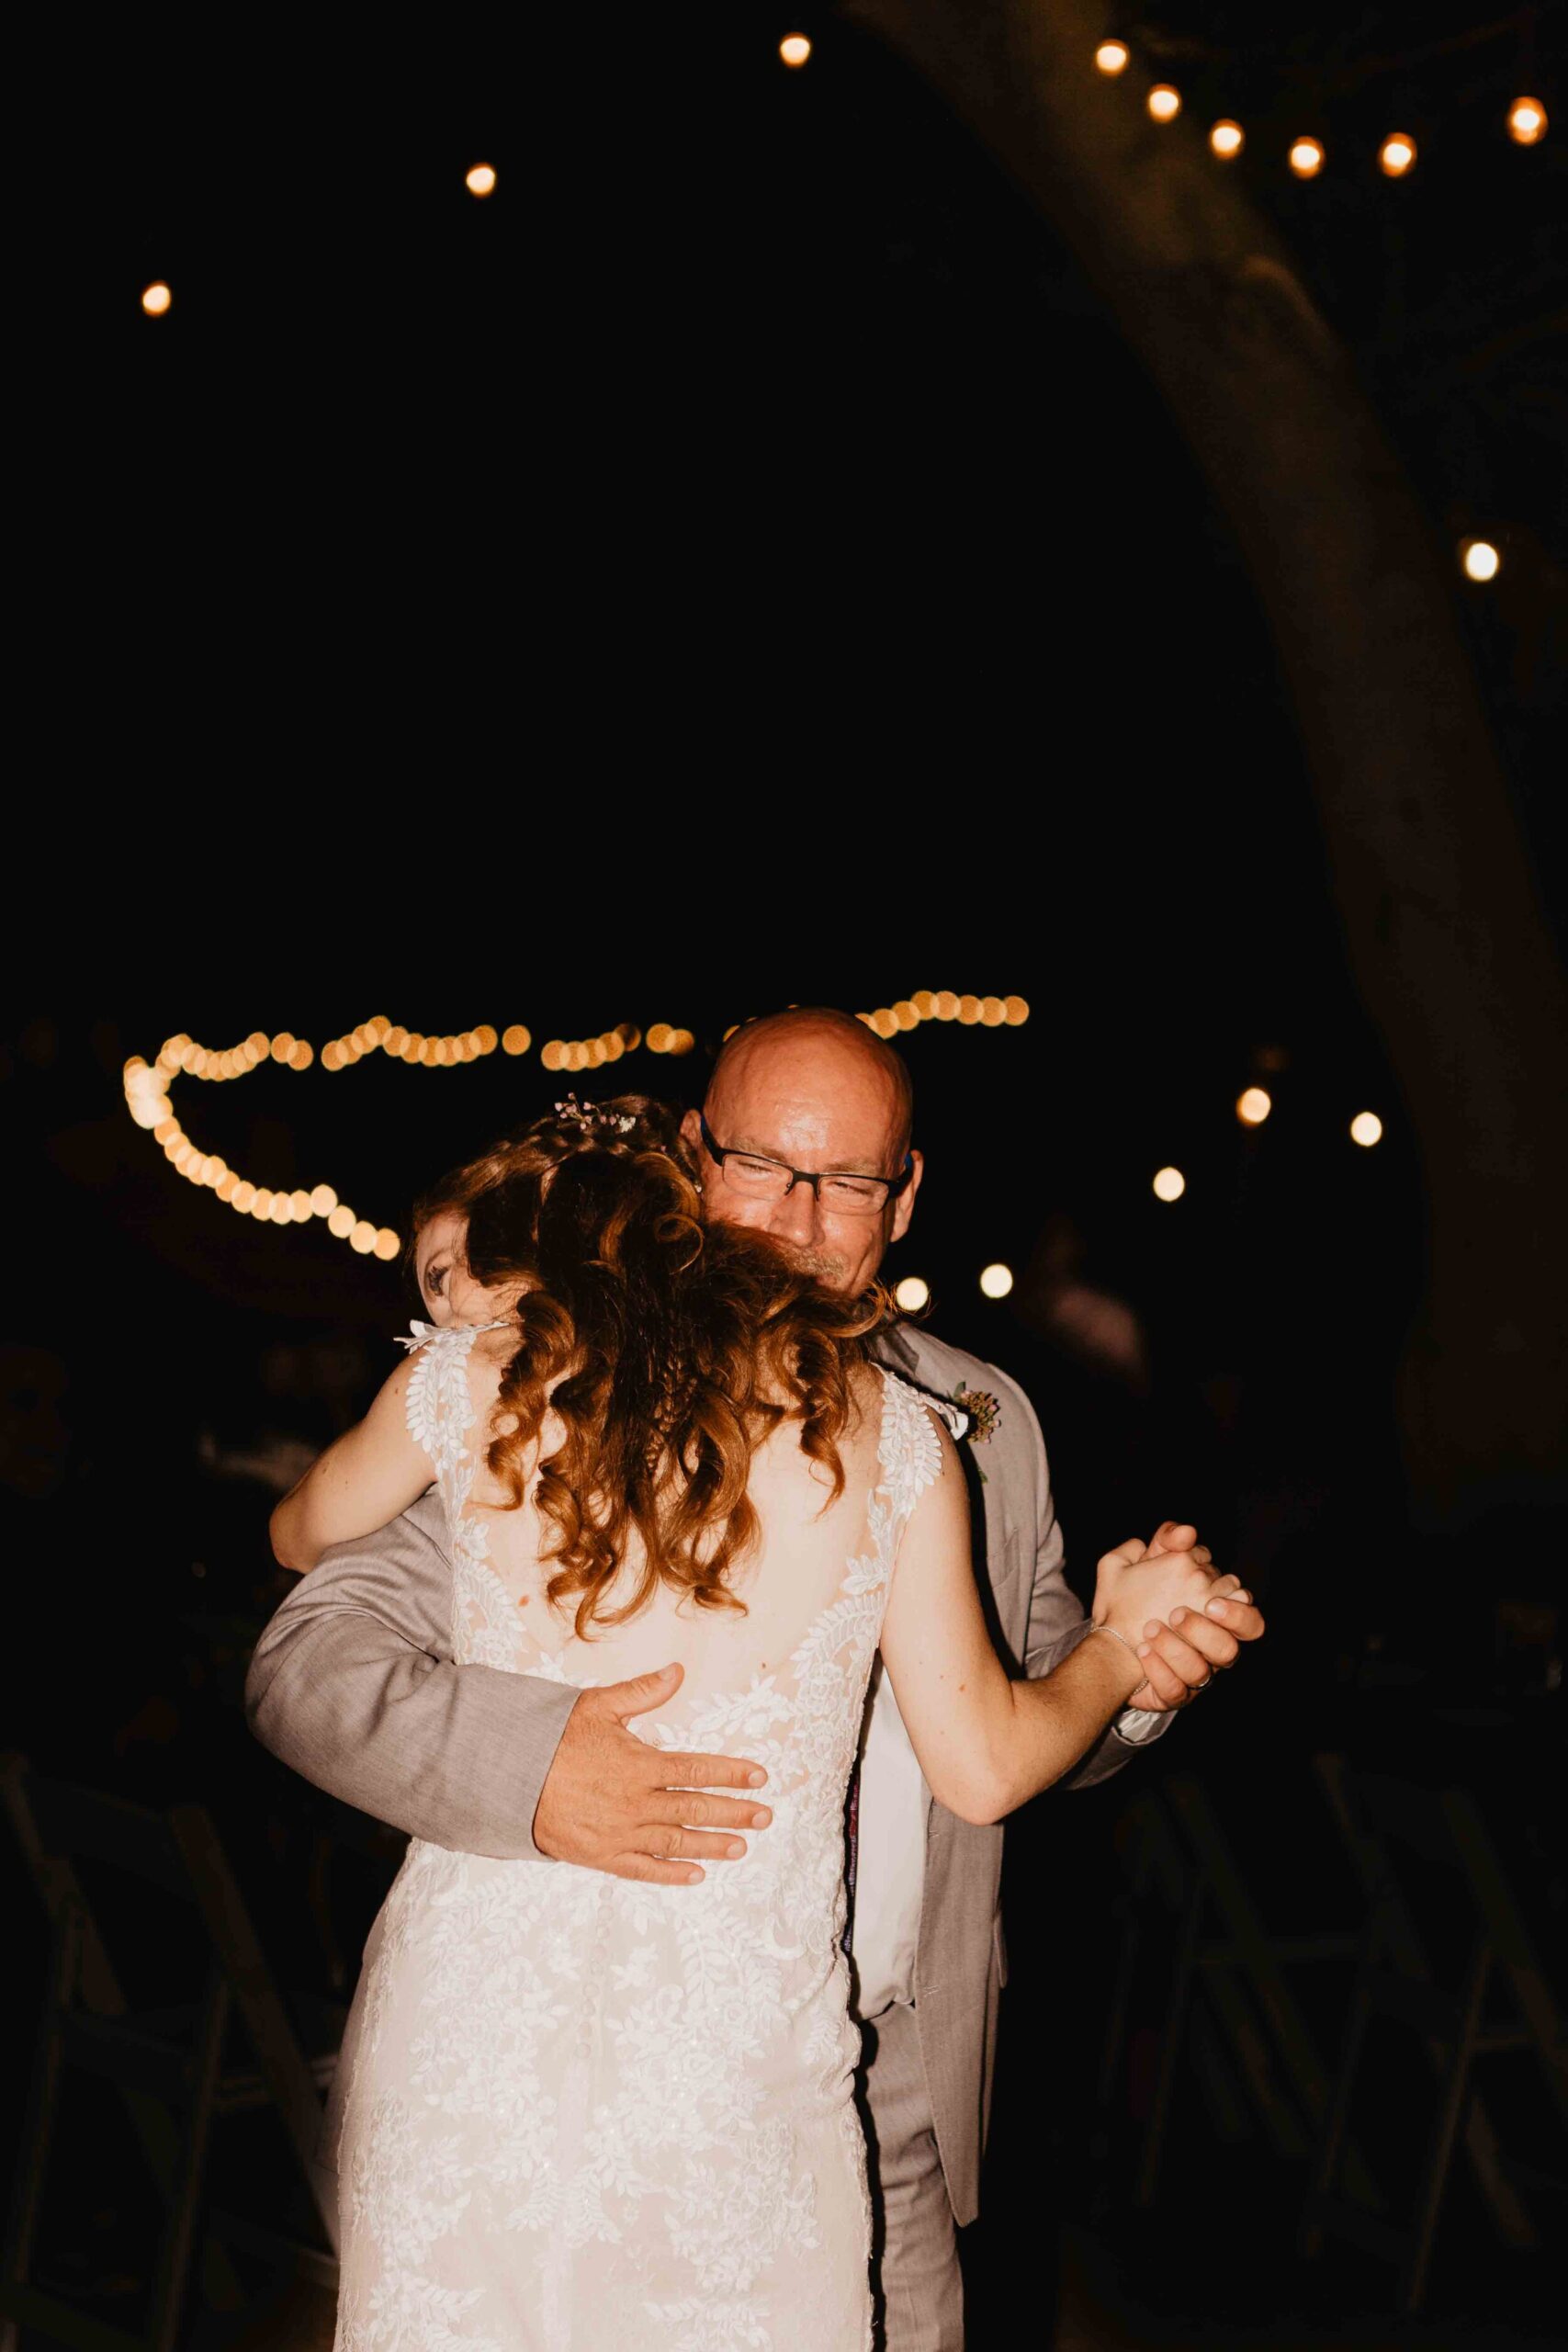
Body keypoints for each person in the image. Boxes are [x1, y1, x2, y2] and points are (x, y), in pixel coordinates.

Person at [248, 1018, 1266, 2348]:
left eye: (846, 1181)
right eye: (764, 1168)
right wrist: (532, 1763)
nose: (799, 1217)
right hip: (580, 2074)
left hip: (851, 2072)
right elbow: (303, 1659)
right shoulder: (843, 1434)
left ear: (905, 1195)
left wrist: (1136, 1672)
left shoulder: (979, 1420)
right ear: (690, 1158)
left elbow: (1035, 1682)